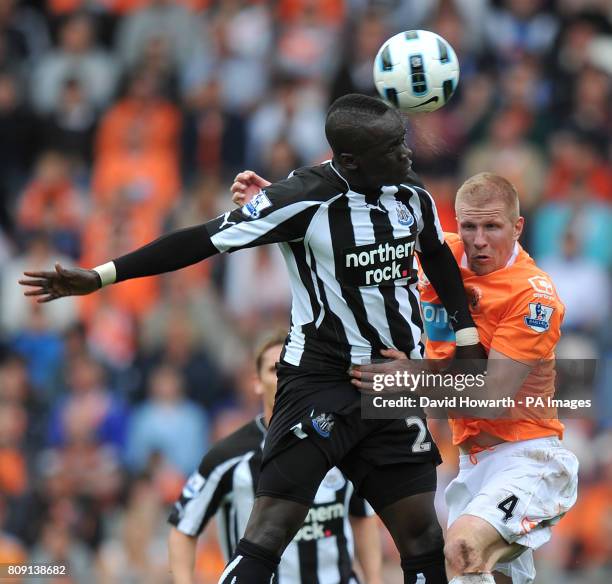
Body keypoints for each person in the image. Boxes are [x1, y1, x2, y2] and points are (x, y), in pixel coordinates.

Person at [20, 94, 485, 584]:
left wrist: (466, 334)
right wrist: (101, 276)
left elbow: (434, 254)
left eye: (403, 142)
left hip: (394, 383)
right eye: (393, 147)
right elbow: (201, 239)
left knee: (423, 540)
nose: (407, 154)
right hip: (322, 380)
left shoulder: (410, 192)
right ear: (348, 160)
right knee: (269, 531)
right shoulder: (301, 199)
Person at [348, 173, 578, 584]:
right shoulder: (443, 256)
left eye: (492, 226)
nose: (478, 239)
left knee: (460, 548)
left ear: (518, 227)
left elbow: (490, 396)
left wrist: (411, 376)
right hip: (472, 463)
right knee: (473, 571)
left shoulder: (533, 296)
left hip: (529, 456)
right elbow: (359, 247)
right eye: (468, 226)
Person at [168, 332, 382, 584]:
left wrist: (374, 581)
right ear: (256, 382)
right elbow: (184, 526)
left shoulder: (339, 440)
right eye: (275, 369)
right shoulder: (228, 456)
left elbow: (362, 518)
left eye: (290, 369)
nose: (283, 377)